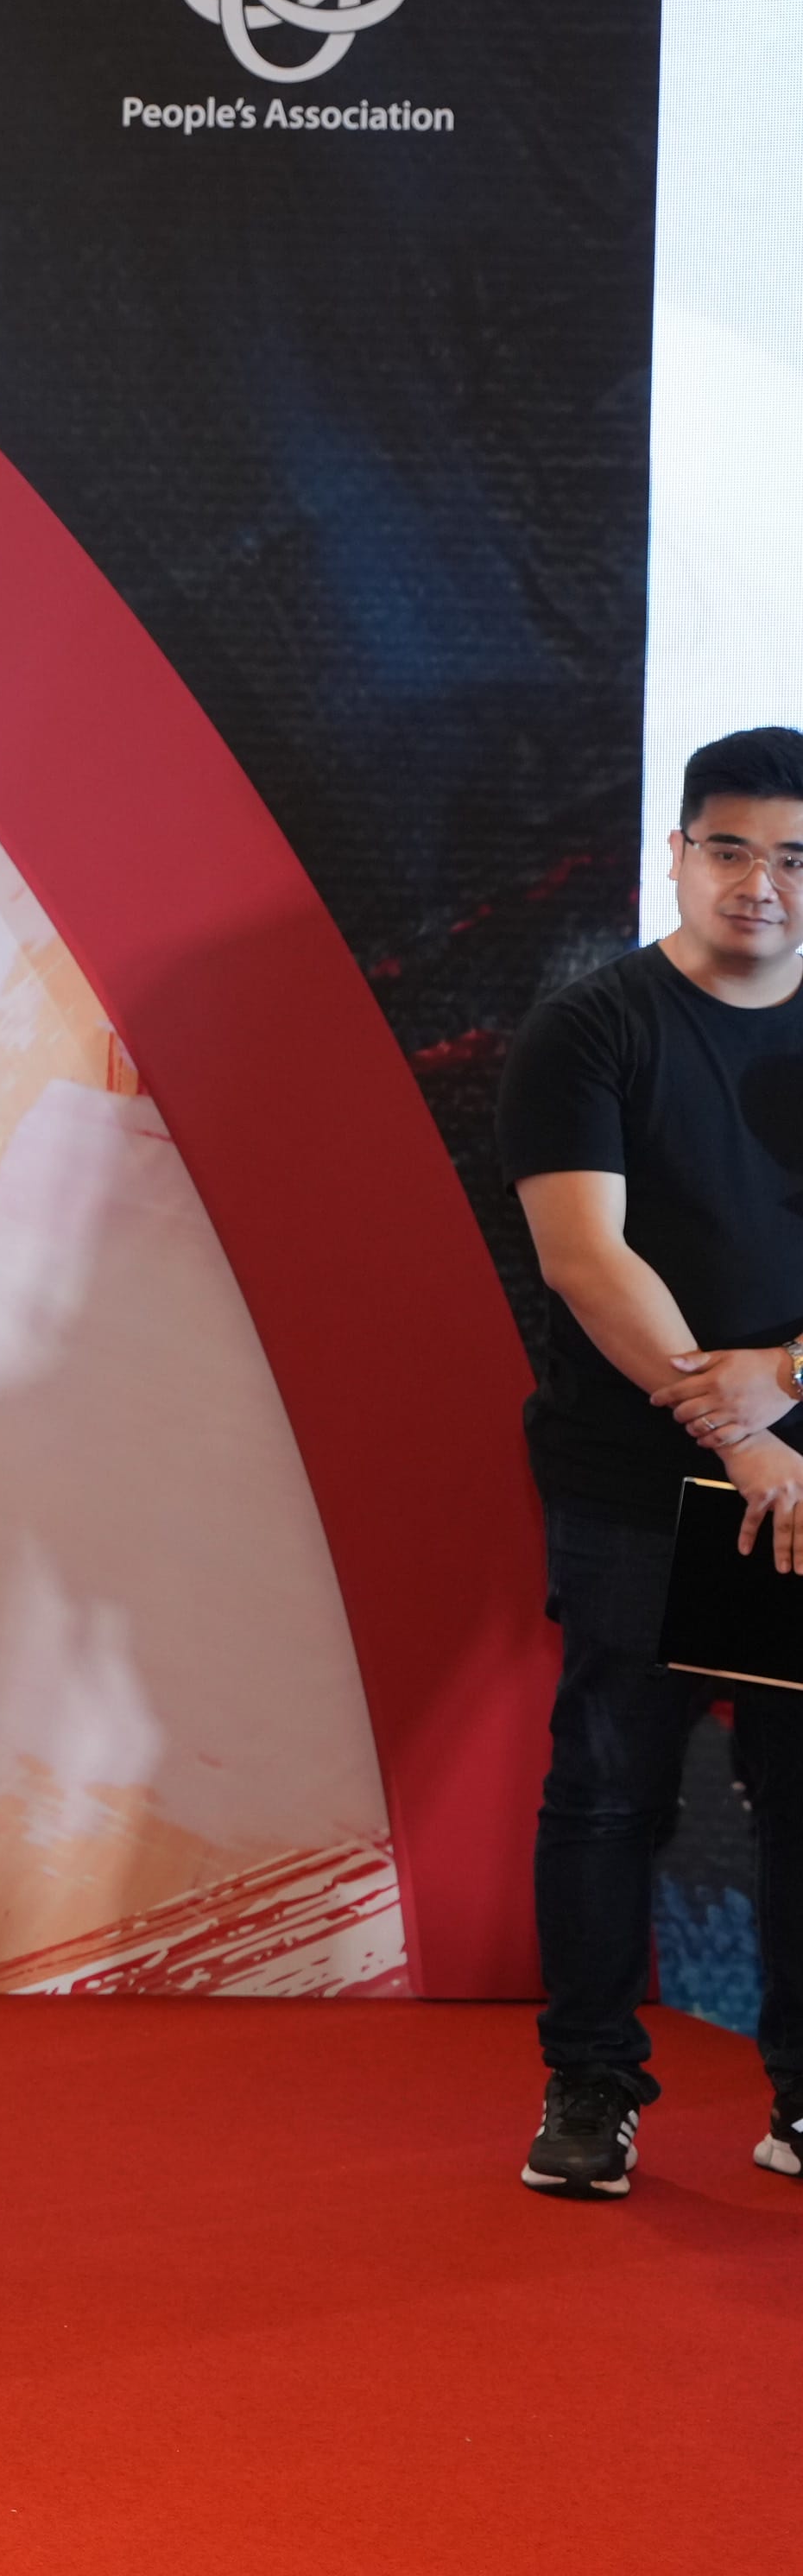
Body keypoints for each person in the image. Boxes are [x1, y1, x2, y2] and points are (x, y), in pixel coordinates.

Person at [503, 721, 803, 2200]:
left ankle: (800, 2095)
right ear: (678, 853)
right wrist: (738, 1431)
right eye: (733, 847)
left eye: (797, 856)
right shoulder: (595, 1025)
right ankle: (591, 2084)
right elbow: (583, 1254)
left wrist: (792, 1382)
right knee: (611, 1775)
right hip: (639, 1478)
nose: (763, 882)